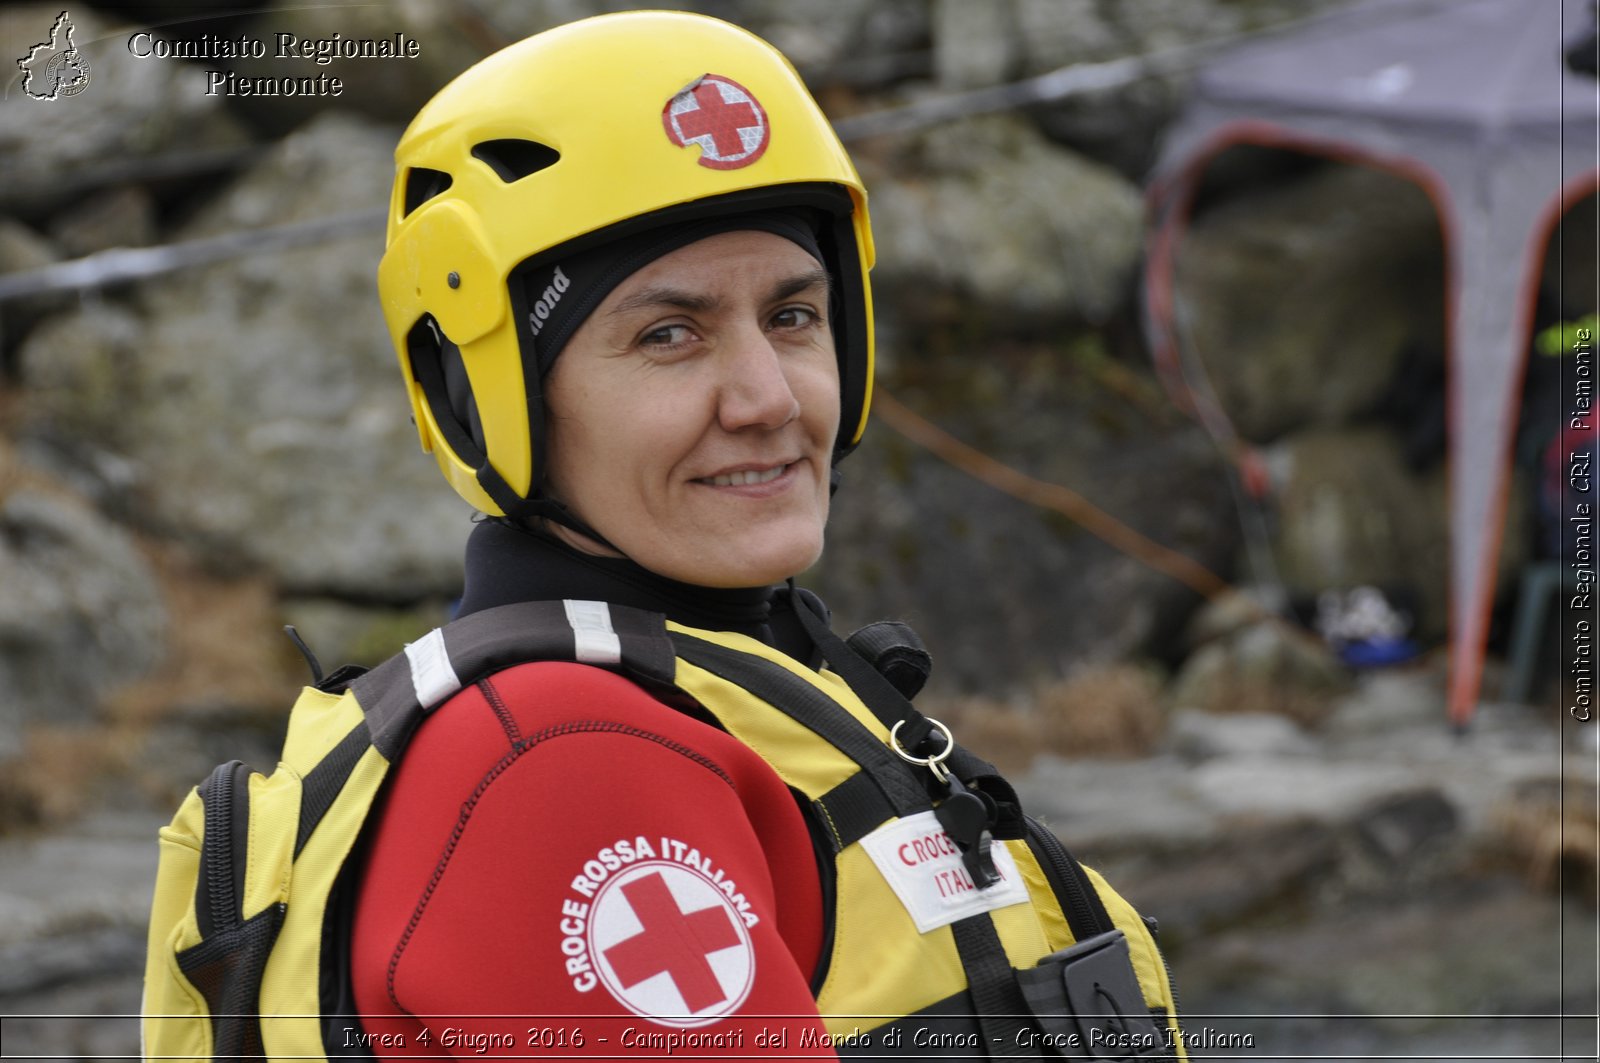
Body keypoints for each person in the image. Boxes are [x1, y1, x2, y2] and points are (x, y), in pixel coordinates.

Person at [351, 10, 1184, 1059]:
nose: (765, 398)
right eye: (669, 334)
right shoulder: (564, 761)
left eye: (792, 316)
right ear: (485, 396)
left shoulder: (727, 682)